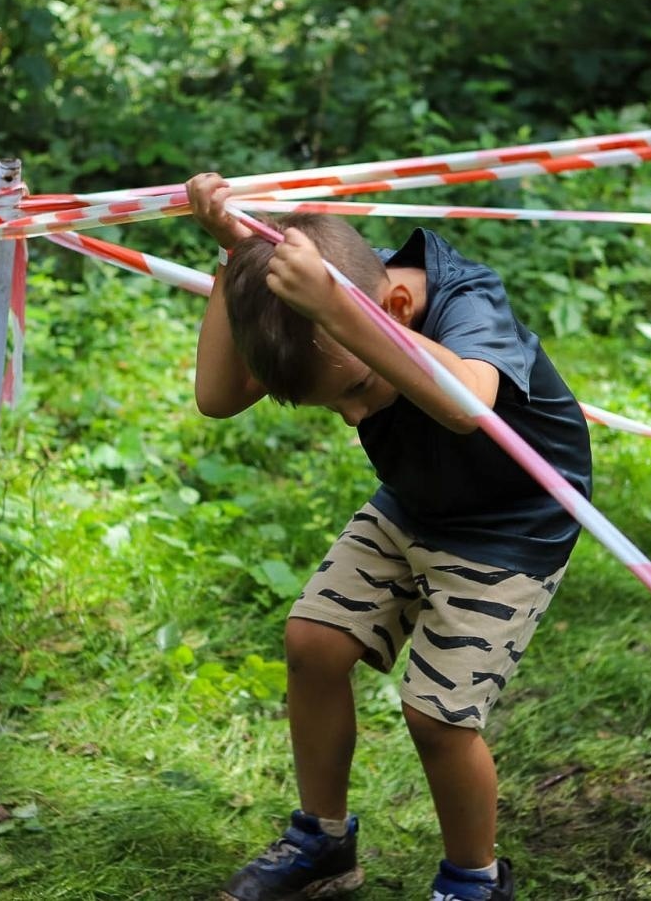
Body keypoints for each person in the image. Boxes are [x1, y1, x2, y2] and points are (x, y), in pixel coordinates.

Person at [187, 171, 593, 901]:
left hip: (512, 524)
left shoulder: (464, 299)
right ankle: (323, 842)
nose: (351, 420)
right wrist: (234, 254)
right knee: (313, 644)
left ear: (395, 307)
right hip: (415, 503)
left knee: (437, 716)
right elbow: (218, 398)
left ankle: (474, 883)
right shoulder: (312, 291)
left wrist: (341, 311)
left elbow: (468, 402)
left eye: (355, 393)